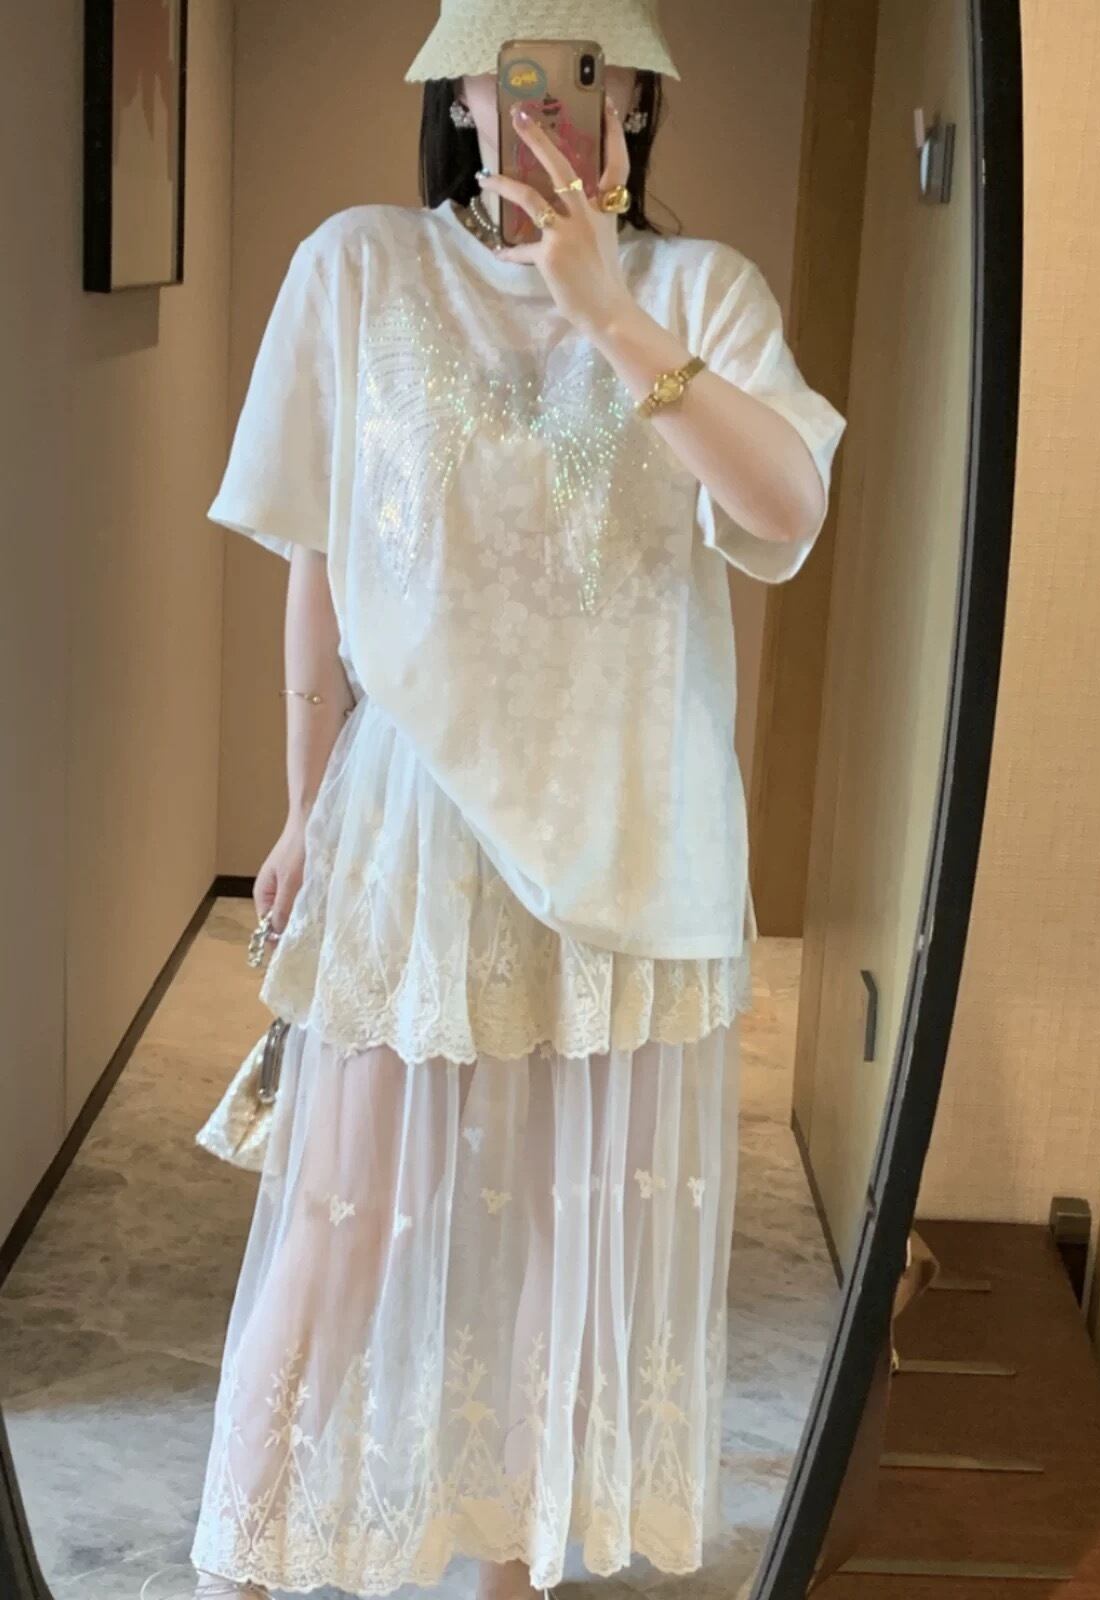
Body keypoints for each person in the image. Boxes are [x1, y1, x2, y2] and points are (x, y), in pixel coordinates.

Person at [187, 2, 845, 1596]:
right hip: (417, 825)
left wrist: (606, 310)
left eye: (587, 71)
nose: (551, 101)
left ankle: (514, 1573)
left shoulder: (703, 293)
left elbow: (786, 507)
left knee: (573, 1232)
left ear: (638, 102)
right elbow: (316, 560)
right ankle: (243, 1567)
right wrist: (302, 809)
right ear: (464, 98)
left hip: (634, 826)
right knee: (346, 1215)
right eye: (517, 70)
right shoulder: (356, 268)